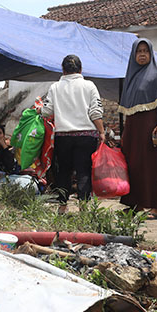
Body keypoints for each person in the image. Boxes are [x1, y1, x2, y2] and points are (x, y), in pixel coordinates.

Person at [40, 55, 105, 208]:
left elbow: (47, 111)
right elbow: (95, 112)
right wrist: (101, 132)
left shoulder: (55, 87)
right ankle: (83, 207)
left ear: (63, 70)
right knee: (84, 171)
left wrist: (39, 109)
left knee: (63, 171)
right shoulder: (89, 86)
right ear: (81, 69)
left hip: (63, 137)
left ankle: (62, 205)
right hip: (86, 136)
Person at [118, 39, 157, 220]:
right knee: (133, 165)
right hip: (132, 128)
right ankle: (135, 204)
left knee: (151, 166)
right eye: (139, 51)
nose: (142, 54)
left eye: (145, 51)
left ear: (151, 54)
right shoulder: (130, 77)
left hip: (149, 126)